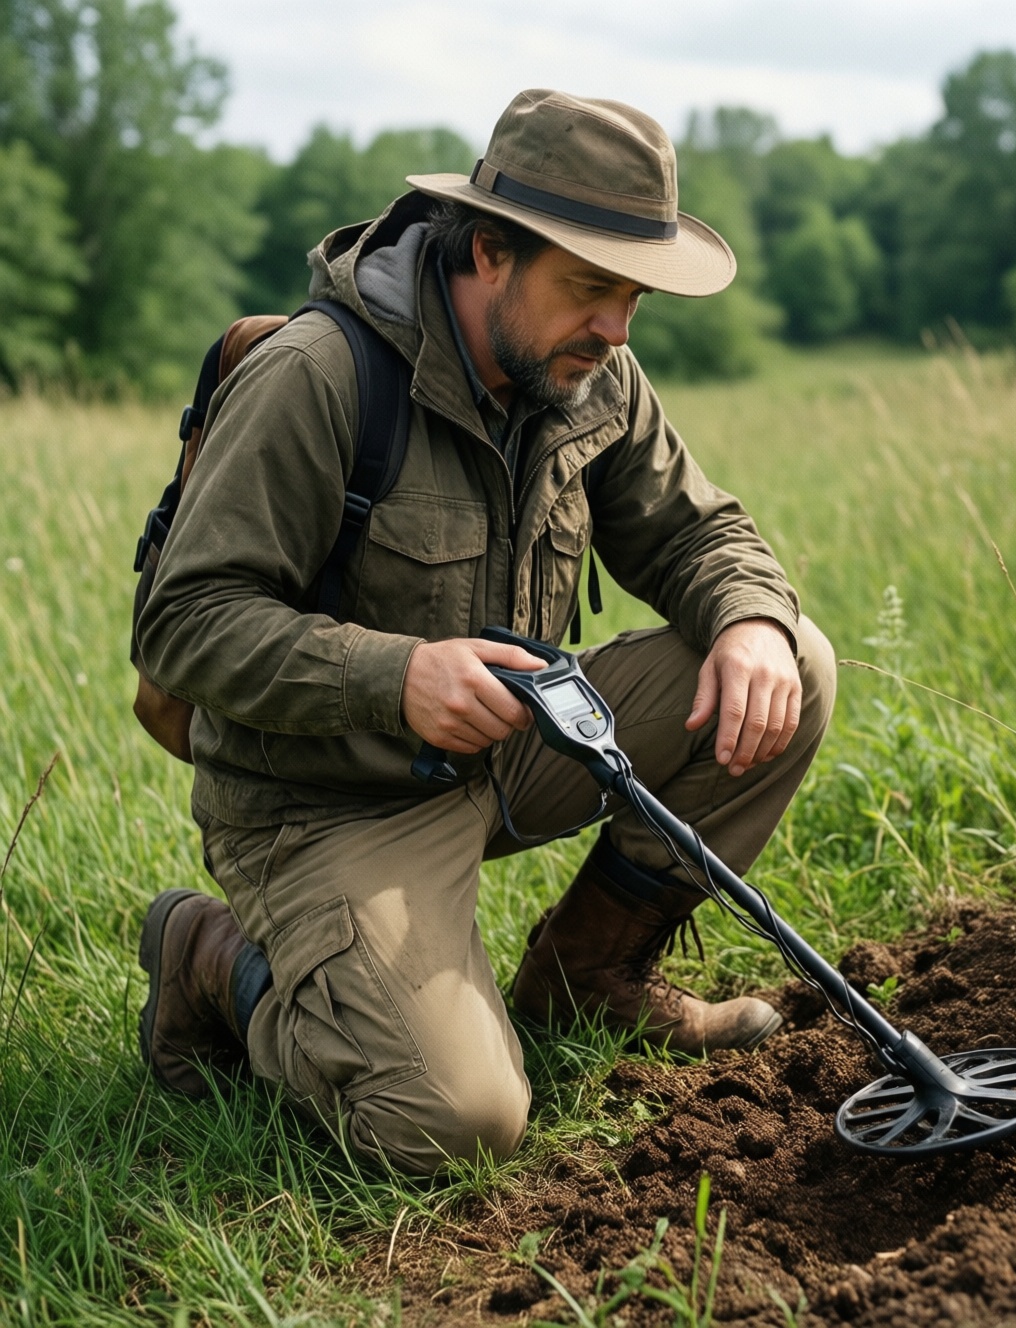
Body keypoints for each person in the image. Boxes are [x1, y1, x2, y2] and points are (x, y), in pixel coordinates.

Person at [134, 88, 836, 1176]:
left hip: (515, 742)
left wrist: (748, 617)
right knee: (455, 1123)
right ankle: (215, 961)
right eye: (592, 288)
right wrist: (395, 674)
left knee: (791, 662)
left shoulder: (587, 369)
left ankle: (584, 976)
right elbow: (185, 621)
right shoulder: (317, 376)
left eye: (634, 297)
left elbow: (697, 534)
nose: (616, 327)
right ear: (490, 252)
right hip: (325, 800)